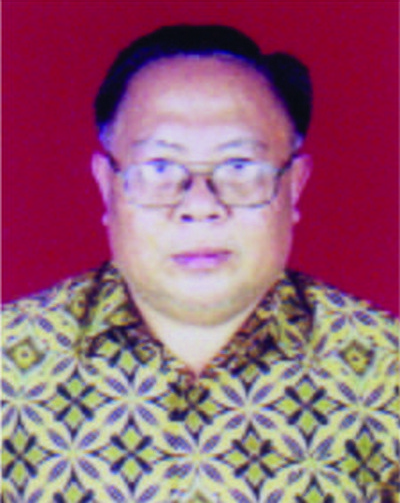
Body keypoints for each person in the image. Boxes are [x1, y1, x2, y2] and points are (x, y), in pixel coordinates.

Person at [2, 25, 398, 503]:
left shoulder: (388, 372)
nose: (200, 205)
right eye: (160, 169)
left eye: (239, 167)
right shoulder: (9, 367)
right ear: (107, 187)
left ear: (294, 186)